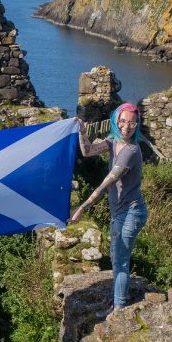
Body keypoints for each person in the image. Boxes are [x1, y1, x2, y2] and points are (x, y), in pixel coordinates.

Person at [70, 103, 148, 317]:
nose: (127, 126)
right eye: (122, 121)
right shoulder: (113, 142)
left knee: (120, 259)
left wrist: (82, 208)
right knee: (116, 256)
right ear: (115, 121)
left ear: (137, 124)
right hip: (119, 212)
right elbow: (87, 151)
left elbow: (106, 183)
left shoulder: (131, 151)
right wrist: (83, 131)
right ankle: (117, 301)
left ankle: (119, 308)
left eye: (132, 122)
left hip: (132, 212)